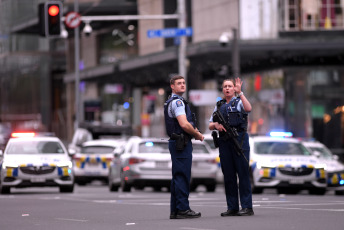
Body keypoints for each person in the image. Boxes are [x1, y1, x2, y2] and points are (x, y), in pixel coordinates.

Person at [208, 78, 254, 216]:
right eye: (225, 86)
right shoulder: (219, 105)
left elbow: (248, 109)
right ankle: (232, 207)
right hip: (224, 141)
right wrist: (216, 125)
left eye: (230, 86)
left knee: (243, 174)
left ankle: (247, 207)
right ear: (222, 89)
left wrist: (241, 93)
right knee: (228, 175)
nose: (227, 88)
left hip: (239, 140)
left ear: (234, 88)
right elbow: (210, 124)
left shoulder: (239, 102)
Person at [164, 75, 204, 219]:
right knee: (182, 176)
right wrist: (197, 134)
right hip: (181, 143)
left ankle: (175, 210)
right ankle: (183, 209)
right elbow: (184, 124)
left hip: (178, 142)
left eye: (183, 83)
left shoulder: (173, 101)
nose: (182, 85)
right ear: (172, 86)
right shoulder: (178, 103)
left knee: (177, 177)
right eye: (178, 83)